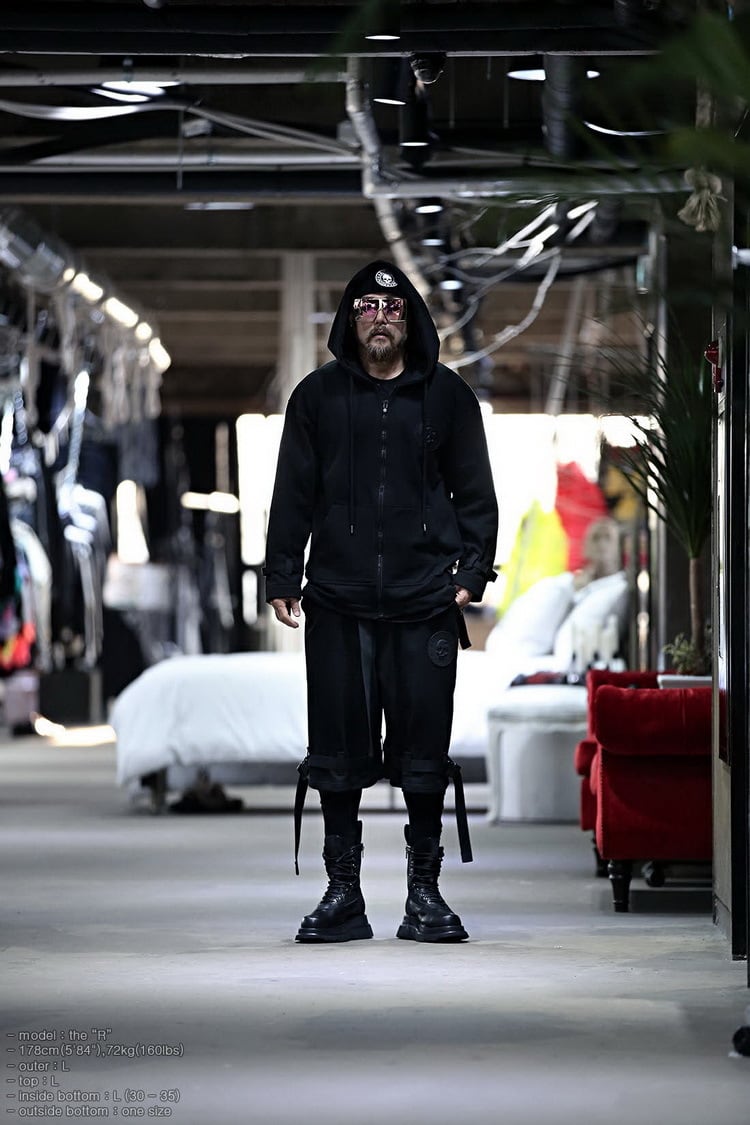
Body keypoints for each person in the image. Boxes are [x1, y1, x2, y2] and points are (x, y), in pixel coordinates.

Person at [263, 260, 498, 943]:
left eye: (393, 309)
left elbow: (476, 491)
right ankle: (344, 895)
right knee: (336, 751)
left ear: (410, 320)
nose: (380, 318)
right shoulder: (316, 397)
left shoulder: (448, 397)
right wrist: (282, 575)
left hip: (424, 600)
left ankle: (425, 896)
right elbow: (292, 492)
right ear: (351, 317)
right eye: (367, 306)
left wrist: (472, 572)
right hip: (337, 599)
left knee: (424, 754)